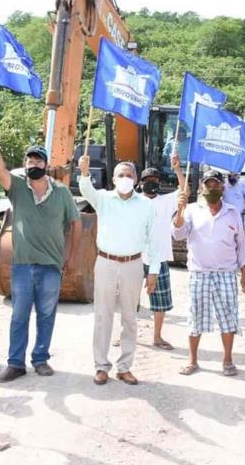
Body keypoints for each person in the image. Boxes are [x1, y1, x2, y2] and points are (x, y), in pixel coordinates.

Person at [0, 130, 81, 383]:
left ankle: (40, 359)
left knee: (46, 314)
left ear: (46, 165)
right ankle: (15, 363)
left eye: (38, 161)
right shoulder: (18, 188)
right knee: (19, 315)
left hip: (51, 266)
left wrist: (72, 257)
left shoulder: (62, 193)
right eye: (30, 161)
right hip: (22, 265)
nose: (34, 164)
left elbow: (76, 223)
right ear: (25, 164)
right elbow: (0, 172)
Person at [79, 156, 159, 386]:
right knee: (103, 316)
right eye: (121, 175)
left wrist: (152, 271)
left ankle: (125, 367)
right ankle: (101, 366)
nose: (125, 178)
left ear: (136, 180)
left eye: (129, 175)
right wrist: (84, 172)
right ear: (113, 179)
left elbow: (153, 240)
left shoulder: (145, 205)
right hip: (105, 263)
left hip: (133, 265)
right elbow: (86, 190)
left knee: (129, 318)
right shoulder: (104, 199)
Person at [172, 170, 245, 377]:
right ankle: (192, 360)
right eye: (208, 185)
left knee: (228, 317)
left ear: (222, 187)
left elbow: (241, 245)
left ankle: (227, 360)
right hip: (199, 273)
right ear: (201, 189)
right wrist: (179, 211)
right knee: (195, 316)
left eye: (215, 184)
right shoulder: (191, 210)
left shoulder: (233, 212)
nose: (212, 188)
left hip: (225, 273)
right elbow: (178, 234)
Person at [139, 155, 186, 350]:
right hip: (134, 257)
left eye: (156, 181)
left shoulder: (166, 201)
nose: (152, 183)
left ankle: (157, 337)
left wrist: (177, 170)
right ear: (141, 183)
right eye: (148, 181)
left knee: (160, 302)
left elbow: (184, 191)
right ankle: (127, 334)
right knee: (128, 300)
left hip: (159, 257)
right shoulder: (132, 201)